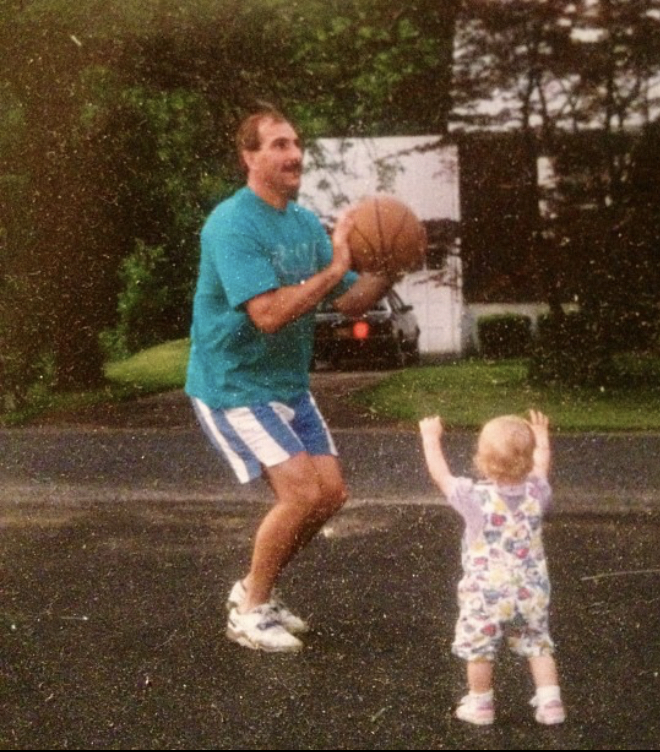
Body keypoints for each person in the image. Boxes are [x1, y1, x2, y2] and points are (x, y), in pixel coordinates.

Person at [185, 105, 395, 653]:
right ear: (249, 157)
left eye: (296, 143)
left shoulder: (303, 224)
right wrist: (330, 270)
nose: (294, 154)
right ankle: (249, 611)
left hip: (285, 384)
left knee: (331, 495)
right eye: (278, 144)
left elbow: (349, 299)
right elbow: (269, 315)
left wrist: (391, 267)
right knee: (301, 494)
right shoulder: (231, 224)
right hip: (232, 383)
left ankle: (256, 589)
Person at [418, 410, 566, 726]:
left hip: (486, 594)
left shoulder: (474, 497)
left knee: (480, 649)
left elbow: (440, 475)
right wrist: (542, 439)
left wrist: (430, 439)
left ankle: (481, 704)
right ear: (525, 460)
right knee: (538, 643)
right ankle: (551, 703)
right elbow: (542, 465)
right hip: (531, 590)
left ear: (482, 460)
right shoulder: (538, 491)